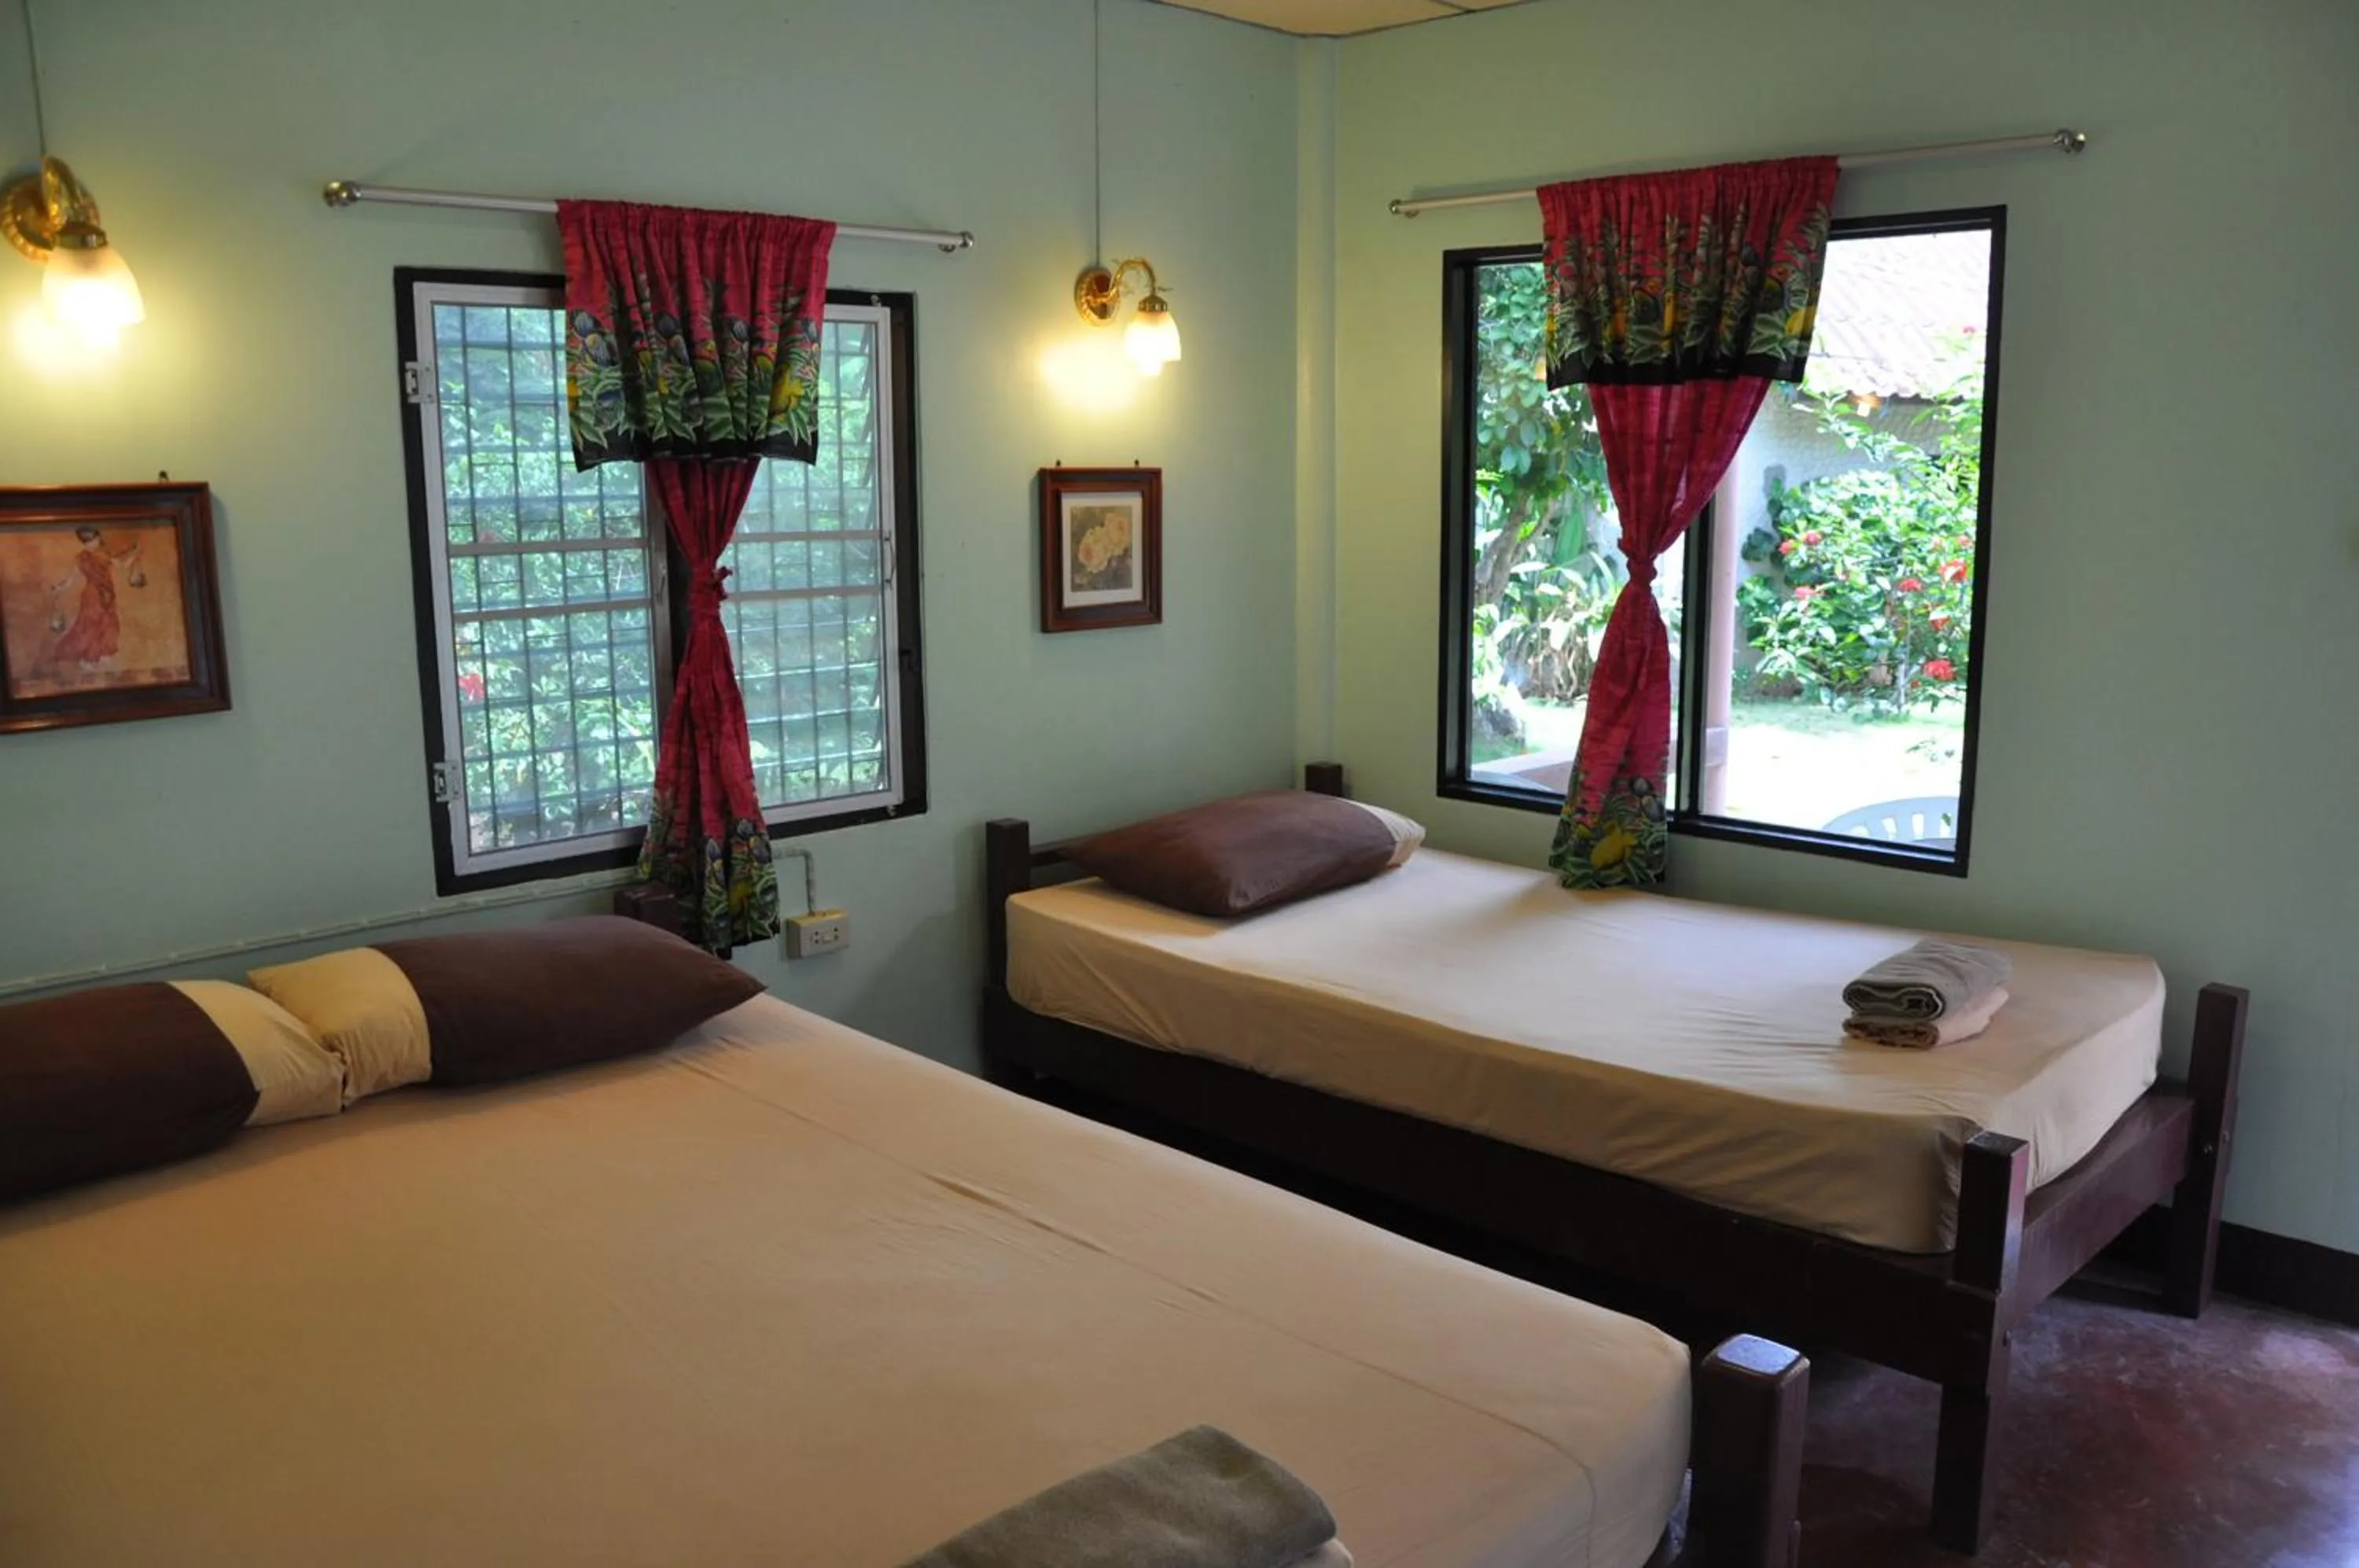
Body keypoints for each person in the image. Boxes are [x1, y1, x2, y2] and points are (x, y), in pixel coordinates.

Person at [49, 525, 142, 670]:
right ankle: (88, 658)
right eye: (93, 541)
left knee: (105, 623)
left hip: (102, 594)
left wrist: (61, 587)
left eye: (95, 540)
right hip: (96, 595)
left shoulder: (84, 557)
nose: (95, 543)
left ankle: (102, 654)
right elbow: (122, 565)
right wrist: (135, 553)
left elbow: (70, 580)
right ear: (88, 542)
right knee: (94, 625)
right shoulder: (99, 555)